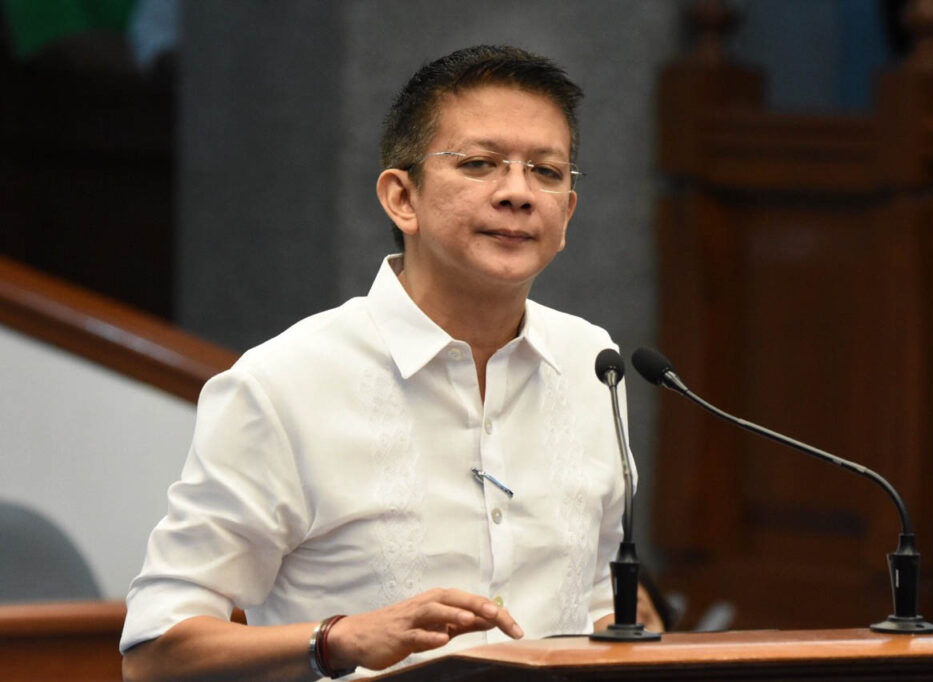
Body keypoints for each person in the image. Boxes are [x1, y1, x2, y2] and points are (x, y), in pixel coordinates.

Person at [120, 45, 634, 681]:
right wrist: (338, 640)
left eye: (547, 172)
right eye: (480, 164)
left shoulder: (593, 363)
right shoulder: (283, 382)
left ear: (568, 213)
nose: (518, 193)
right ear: (401, 198)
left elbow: (601, 598)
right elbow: (154, 654)